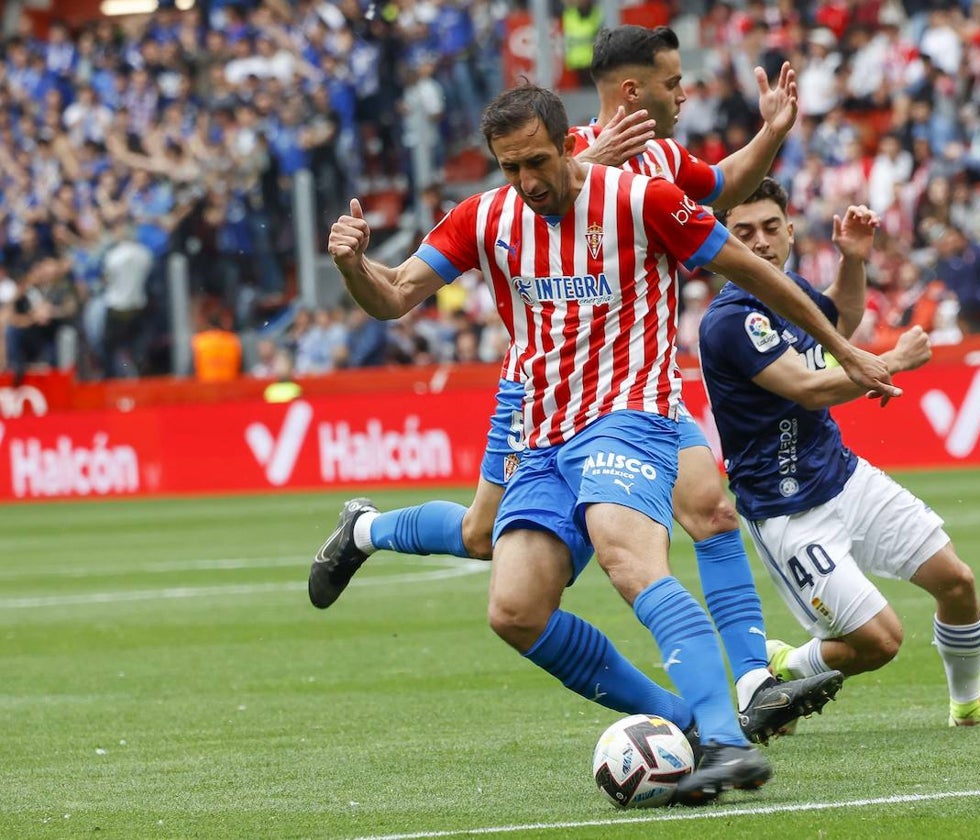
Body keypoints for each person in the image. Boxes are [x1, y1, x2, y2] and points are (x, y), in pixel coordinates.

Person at [324, 86, 896, 804]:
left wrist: (843, 348)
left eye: (537, 161)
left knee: (629, 553)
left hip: (632, 413)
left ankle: (726, 737)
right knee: (515, 609)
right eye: (509, 167)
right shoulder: (486, 217)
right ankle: (689, 726)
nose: (527, 181)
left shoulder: (642, 200)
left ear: (569, 144)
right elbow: (397, 292)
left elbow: (753, 271)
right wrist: (352, 267)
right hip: (540, 434)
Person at [697, 177, 980, 728]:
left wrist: (852, 260)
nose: (759, 242)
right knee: (878, 643)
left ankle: (968, 705)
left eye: (769, 228)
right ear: (721, 242)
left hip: (844, 477)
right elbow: (808, 387)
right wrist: (894, 362)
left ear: (789, 231)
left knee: (957, 582)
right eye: (742, 232)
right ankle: (782, 668)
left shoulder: (792, 293)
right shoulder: (730, 320)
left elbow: (840, 321)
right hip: (788, 510)